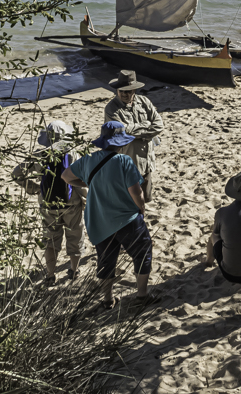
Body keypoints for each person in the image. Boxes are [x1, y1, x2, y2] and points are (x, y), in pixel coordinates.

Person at [61, 121, 156, 309]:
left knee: (106, 260)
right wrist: (142, 209)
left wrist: (87, 183)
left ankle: (107, 299)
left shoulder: (88, 159)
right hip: (126, 219)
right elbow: (136, 192)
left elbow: (66, 176)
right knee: (142, 253)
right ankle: (142, 295)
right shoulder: (124, 161)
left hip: (99, 220)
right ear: (122, 143)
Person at [11, 120, 86, 286]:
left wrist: (34, 188)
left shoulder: (39, 155)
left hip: (47, 203)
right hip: (71, 204)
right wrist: (84, 199)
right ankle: (74, 271)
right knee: (75, 237)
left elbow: (16, 174)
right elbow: (80, 180)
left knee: (51, 241)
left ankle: (51, 275)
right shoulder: (72, 154)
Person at [104, 70, 164, 203]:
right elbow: (121, 131)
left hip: (146, 162)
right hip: (127, 165)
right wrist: (146, 126)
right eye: (121, 91)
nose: (124, 94)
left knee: (145, 200)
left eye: (128, 91)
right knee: (128, 202)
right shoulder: (111, 109)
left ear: (134, 90)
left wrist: (133, 130)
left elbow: (159, 125)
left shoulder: (144, 101)